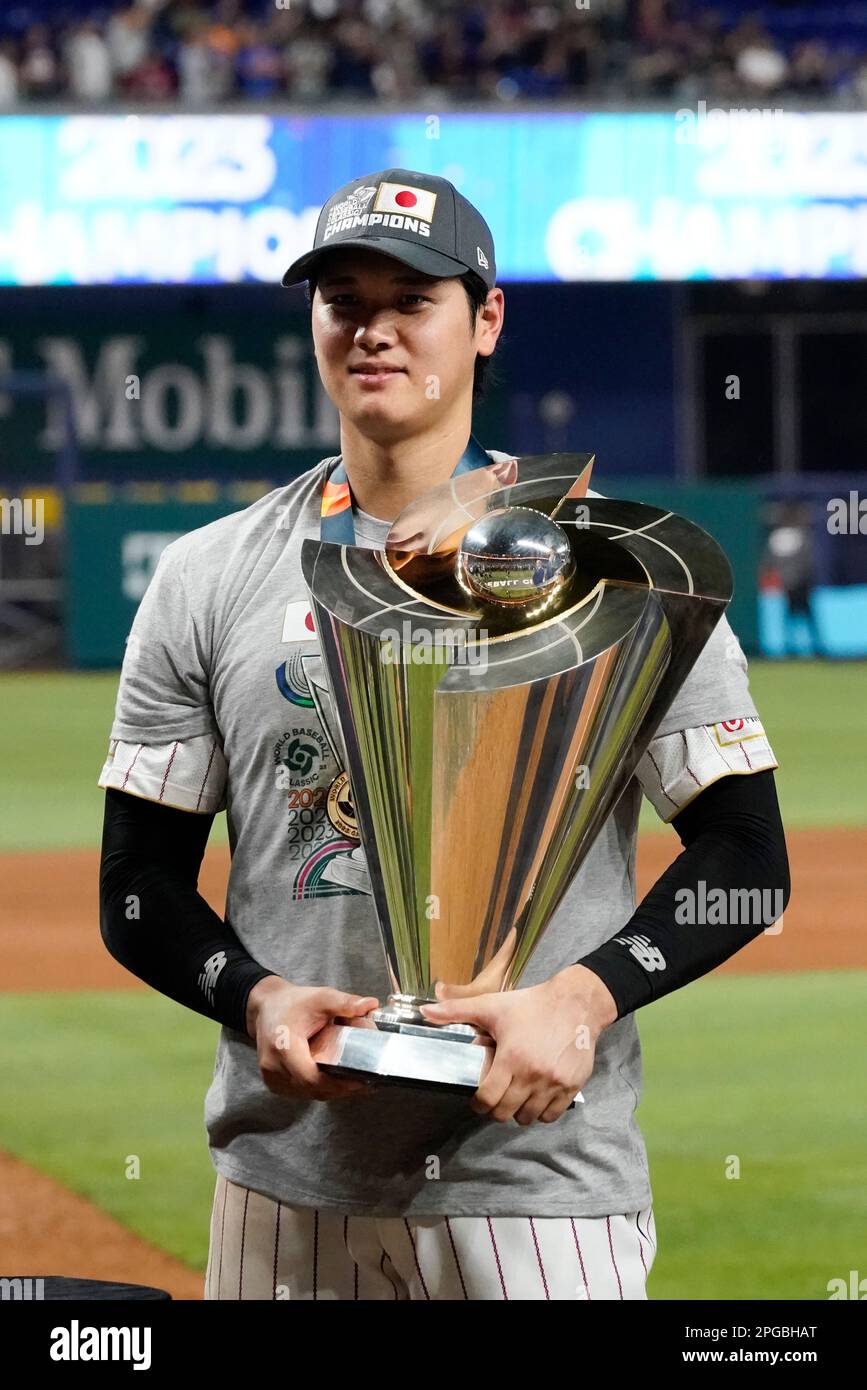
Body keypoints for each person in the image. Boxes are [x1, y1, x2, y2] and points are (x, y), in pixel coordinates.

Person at [98, 168, 789, 1301]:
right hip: (285, 1186)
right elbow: (136, 883)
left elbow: (748, 858)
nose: (373, 329)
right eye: (343, 301)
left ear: (486, 319)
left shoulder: (608, 572)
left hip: (538, 1183)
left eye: (412, 300)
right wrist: (253, 996)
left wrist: (582, 1000)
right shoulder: (207, 575)